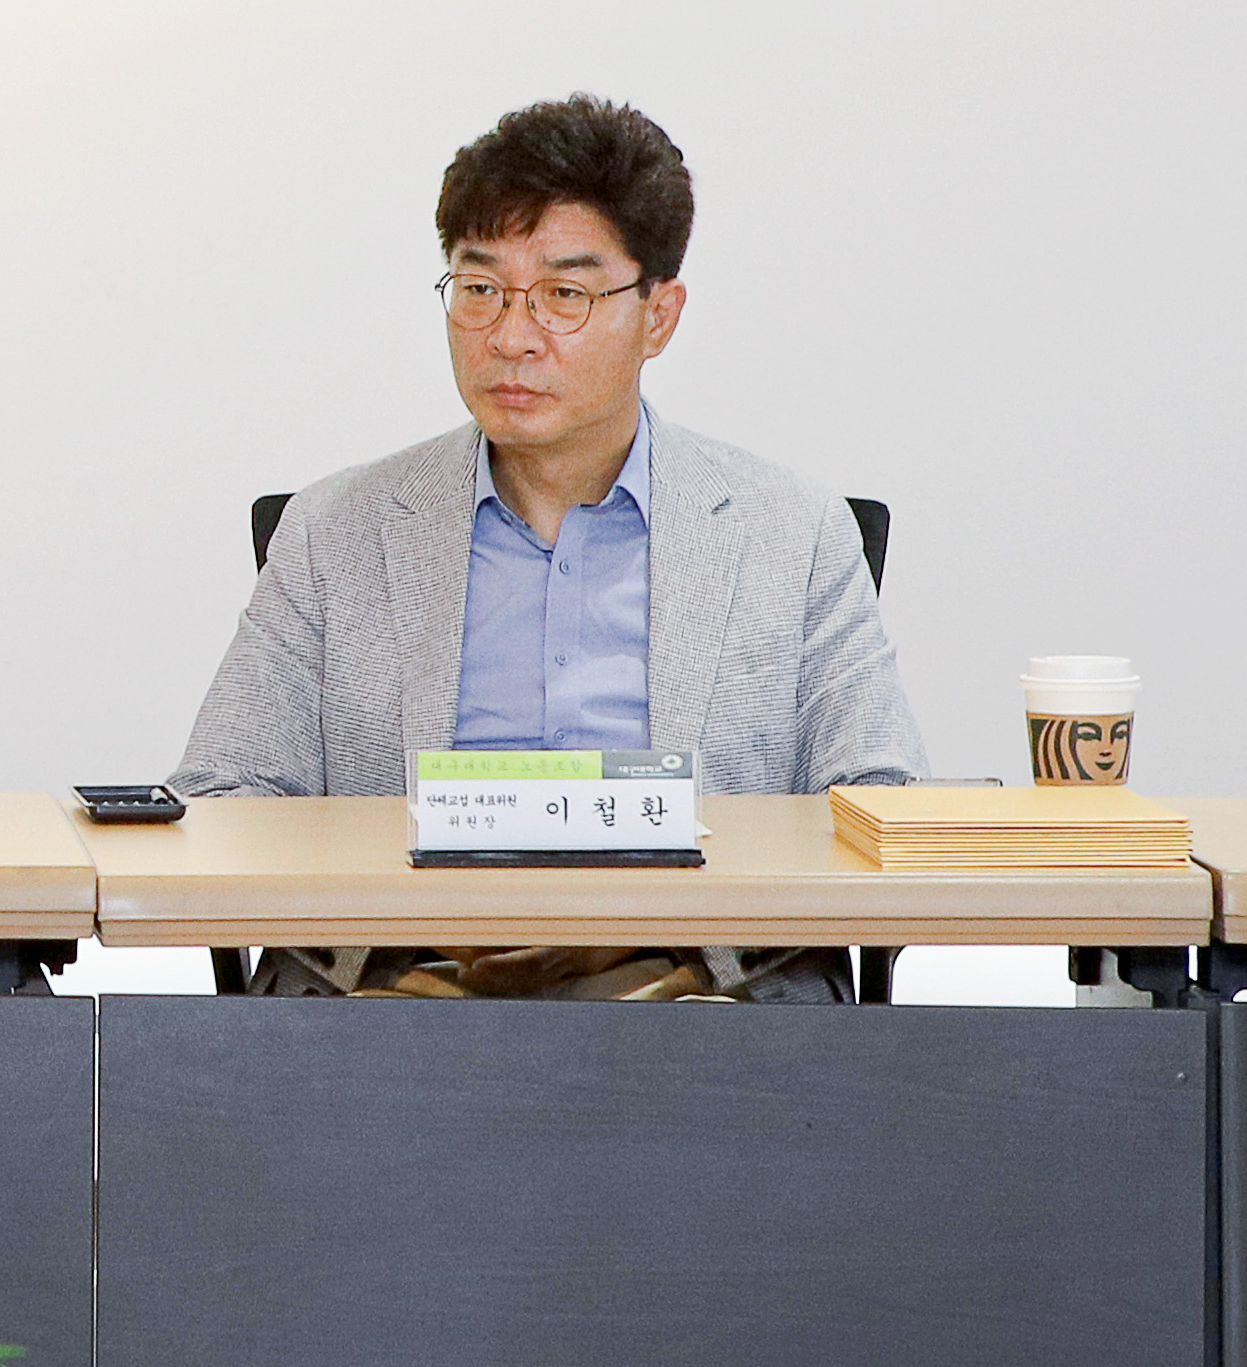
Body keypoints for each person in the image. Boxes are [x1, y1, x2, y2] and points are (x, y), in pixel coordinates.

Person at [168, 95, 923, 1001]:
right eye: (479, 289)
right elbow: (220, 797)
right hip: (394, 986)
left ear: (658, 314)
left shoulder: (789, 532)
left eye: (563, 295)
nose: (510, 337)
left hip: (698, 988)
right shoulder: (337, 529)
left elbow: (882, 802)